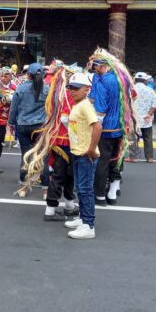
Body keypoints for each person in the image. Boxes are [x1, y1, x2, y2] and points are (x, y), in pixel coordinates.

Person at [24, 63, 80, 220]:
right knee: (60, 175)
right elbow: (65, 118)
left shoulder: (58, 92)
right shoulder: (68, 93)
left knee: (68, 175)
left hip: (60, 139)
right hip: (65, 141)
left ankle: (69, 205)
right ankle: (50, 210)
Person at [89, 48, 136, 206]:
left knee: (102, 161)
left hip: (106, 127)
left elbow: (100, 108)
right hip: (120, 126)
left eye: (95, 65)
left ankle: (100, 196)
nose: (94, 68)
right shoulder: (120, 79)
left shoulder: (103, 80)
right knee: (116, 160)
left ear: (102, 65)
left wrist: (95, 126)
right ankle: (113, 193)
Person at [63, 72, 102, 240]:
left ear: (87, 89)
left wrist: (92, 149)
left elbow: (97, 127)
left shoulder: (85, 105)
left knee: (85, 190)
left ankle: (88, 225)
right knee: (80, 188)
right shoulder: (78, 104)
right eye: (71, 88)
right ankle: (82, 219)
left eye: (77, 88)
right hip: (78, 152)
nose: (73, 91)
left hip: (85, 154)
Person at [9, 62, 49, 198]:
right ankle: (45, 191)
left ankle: (24, 188)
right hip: (40, 126)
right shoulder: (47, 89)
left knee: (25, 156)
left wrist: (11, 122)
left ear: (28, 74)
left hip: (23, 126)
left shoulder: (20, 88)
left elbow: (13, 108)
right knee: (42, 157)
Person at [0, 66, 16, 174]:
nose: (3, 78)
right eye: (1, 75)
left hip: (4, 118)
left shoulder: (14, 87)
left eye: (6, 75)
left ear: (10, 76)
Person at [129, 72, 156, 163]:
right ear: (145, 80)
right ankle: (149, 157)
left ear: (135, 80)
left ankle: (133, 157)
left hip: (134, 118)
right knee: (148, 138)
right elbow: (155, 104)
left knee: (133, 138)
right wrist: (149, 114)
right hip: (146, 119)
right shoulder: (150, 90)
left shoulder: (131, 89)